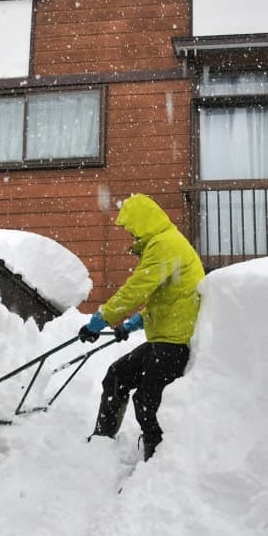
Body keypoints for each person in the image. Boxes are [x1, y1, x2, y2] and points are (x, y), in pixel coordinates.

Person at [81, 193, 204, 460]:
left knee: (148, 401)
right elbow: (165, 299)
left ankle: (158, 460)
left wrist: (99, 321)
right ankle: (102, 444)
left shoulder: (165, 245)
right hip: (163, 337)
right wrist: (132, 324)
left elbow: (136, 290)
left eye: (131, 226)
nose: (130, 233)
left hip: (174, 341)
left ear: (143, 221)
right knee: (117, 375)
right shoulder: (163, 243)